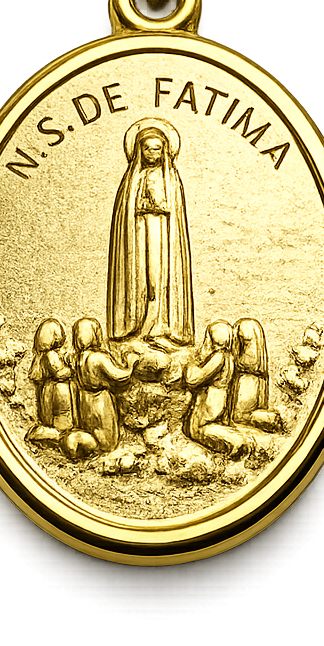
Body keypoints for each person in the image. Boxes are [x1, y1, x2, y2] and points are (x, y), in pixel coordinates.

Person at [107, 118, 194, 347]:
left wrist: (159, 208)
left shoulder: (171, 179)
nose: (152, 153)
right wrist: (141, 208)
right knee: (142, 277)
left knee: (158, 277)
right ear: (139, 150)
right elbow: (126, 213)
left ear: (165, 150)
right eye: (147, 148)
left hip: (162, 235)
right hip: (138, 235)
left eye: (157, 148)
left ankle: (160, 324)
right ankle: (137, 323)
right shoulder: (132, 179)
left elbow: (174, 211)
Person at [183, 322, 247, 458]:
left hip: (211, 401)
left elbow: (193, 379)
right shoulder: (228, 356)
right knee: (193, 429)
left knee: (197, 429)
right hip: (217, 398)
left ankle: (235, 441)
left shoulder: (218, 357)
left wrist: (190, 365)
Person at [72, 318, 137, 452]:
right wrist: (131, 364)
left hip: (85, 401)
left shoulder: (79, 358)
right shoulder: (97, 358)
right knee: (108, 442)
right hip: (100, 401)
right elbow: (118, 375)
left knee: (91, 431)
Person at [25, 319, 77, 444]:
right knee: (60, 414)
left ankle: (52, 431)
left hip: (49, 389)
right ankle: (57, 434)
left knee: (49, 413)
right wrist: (72, 370)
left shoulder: (43, 355)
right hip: (57, 390)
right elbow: (59, 373)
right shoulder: (51, 355)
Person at [230, 318, 282, 432]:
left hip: (249, 381)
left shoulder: (246, 330)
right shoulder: (250, 330)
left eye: (245, 340)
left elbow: (250, 362)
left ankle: (271, 419)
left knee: (239, 415)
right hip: (251, 380)